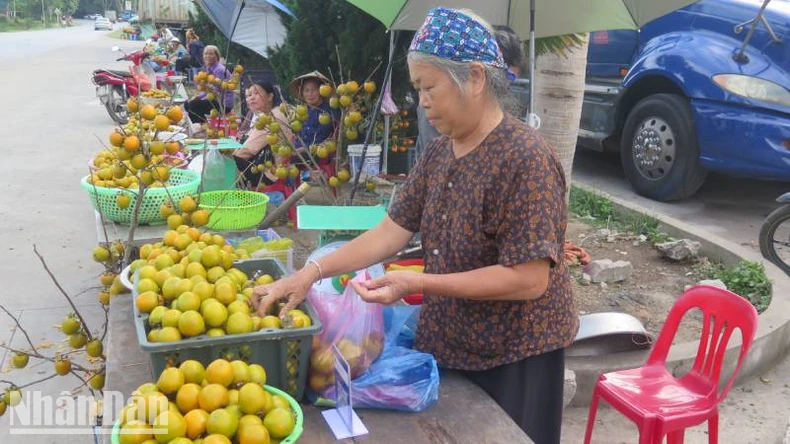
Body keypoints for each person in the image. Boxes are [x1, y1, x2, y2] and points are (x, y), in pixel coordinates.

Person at [252, 7, 576, 444]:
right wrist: (310, 273)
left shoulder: (525, 160)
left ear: (475, 79)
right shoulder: (442, 152)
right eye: (417, 88)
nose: (422, 100)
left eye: (429, 87)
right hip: (453, 338)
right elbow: (391, 232)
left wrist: (421, 282)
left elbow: (528, 279)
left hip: (517, 354)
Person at [415, 24, 526, 162]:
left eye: (512, 79)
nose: (506, 86)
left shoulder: (525, 150)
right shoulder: (441, 109)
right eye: (508, 76)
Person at [234, 81, 293, 188]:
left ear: (270, 96)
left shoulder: (271, 118)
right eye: (249, 95)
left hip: (268, 174)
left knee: (225, 165)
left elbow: (247, 151)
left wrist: (231, 161)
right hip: (268, 168)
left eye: (256, 93)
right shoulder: (268, 114)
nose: (251, 98)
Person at [288, 71, 340, 178]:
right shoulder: (303, 111)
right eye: (306, 90)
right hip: (299, 149)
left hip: (318, 152)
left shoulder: (326, 112)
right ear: (302, 93)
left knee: (286, 159)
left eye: (313, 90)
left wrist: (299, 150)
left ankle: (290, 189)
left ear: (321, 91)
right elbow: (298, 135)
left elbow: (321, 138)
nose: (310, 94)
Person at [184, 45, 234, 123]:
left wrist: (201, 97)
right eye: (206, 54)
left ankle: (201, 127)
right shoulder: (209, 68)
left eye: (211, 54)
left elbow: (215, 91)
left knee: (193, 105)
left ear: (217, 56)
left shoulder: (219, 70)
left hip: (223, 104)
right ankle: (202, 124)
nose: (208, 56)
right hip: (214, 99)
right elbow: (207, 88)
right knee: (187, 104)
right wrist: (199, 96)